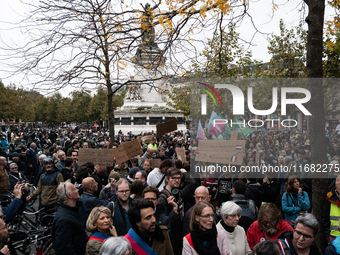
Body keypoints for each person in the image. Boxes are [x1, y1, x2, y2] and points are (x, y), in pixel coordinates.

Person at [52, 181, 88, 255]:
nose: (78, 190)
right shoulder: (63, 219)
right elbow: (64, 249)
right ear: (69, 195)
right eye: (75, 189)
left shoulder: (74, 210)